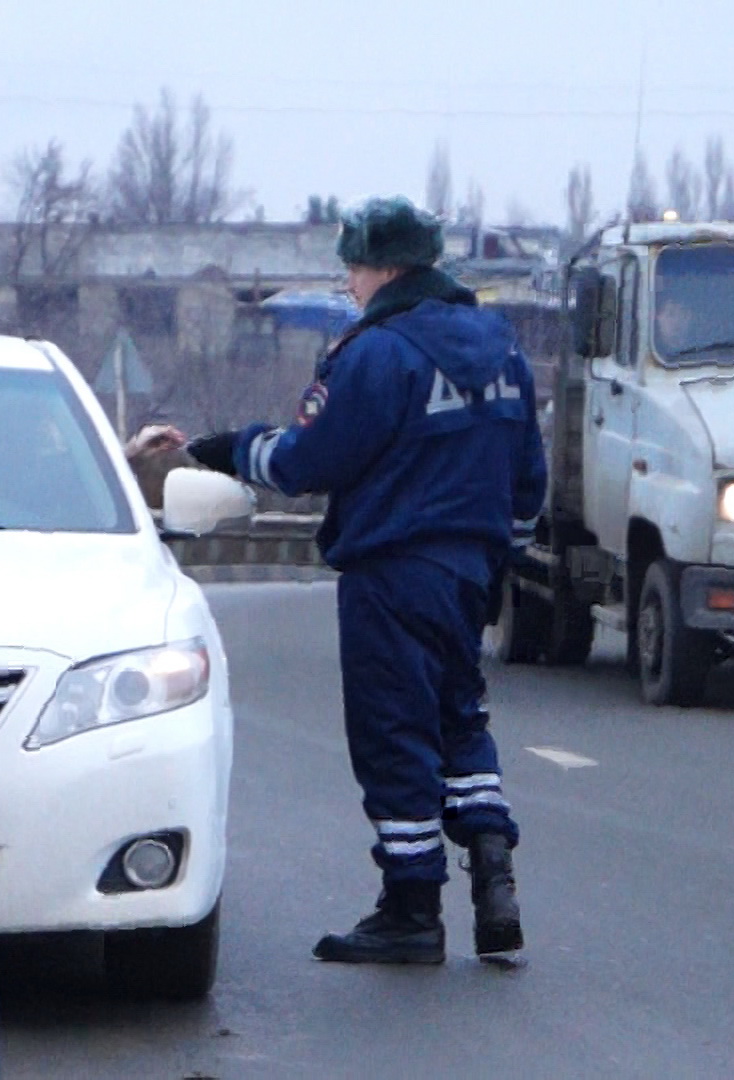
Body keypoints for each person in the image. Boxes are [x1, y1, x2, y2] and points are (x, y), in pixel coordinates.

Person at [137, 196, 548, 964]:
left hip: (392, 573)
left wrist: (227, 450)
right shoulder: (504, 352)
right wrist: (500, 558)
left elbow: (306, 463)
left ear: (386, 268)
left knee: (395, 732)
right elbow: (529, 477)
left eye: (353, 268)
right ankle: (495, 877)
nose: (349, 283)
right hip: (470, 574)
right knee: (461, 718)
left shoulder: (376, 355)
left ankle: (411, 907)